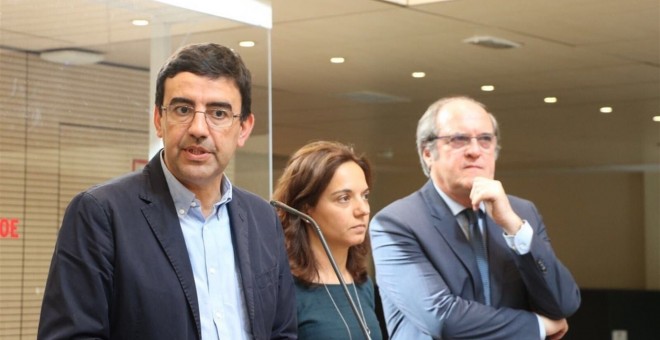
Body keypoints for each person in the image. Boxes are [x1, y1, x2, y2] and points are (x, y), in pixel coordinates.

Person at [38, 43, 297, 340]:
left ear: (244, 128)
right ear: (159, 120)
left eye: (219, 113)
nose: (199, 128)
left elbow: (282, 332)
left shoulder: (262, 217)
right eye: (183, 109)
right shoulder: (101, 214)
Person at [369, 96, 581, 339]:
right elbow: (443, 319)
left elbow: (564, 304)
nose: (474, 151)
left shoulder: (522, 213)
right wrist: (538, 326)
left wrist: (513, 227)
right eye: (458, 139)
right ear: (428, 153)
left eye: (485, 139)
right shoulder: (396, 223)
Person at [272, 141, 384, 340]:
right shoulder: (283, 288)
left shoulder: (362, 283)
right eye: (344, 198)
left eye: (364, 196)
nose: (363, 210)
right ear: (306, 207)